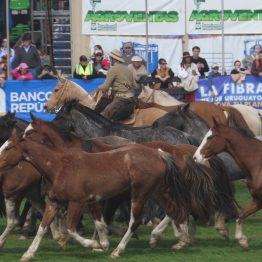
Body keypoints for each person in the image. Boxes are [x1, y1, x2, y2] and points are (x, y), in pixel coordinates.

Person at [96, 49, 137, 121]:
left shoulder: (113, 69)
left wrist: (98, 88)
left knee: (101, 118)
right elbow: (135, 85)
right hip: (132, 99)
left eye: (110, 58)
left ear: (113, 59)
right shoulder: (128, 69)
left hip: (121, 100)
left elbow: (105, 87)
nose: (109, 60)